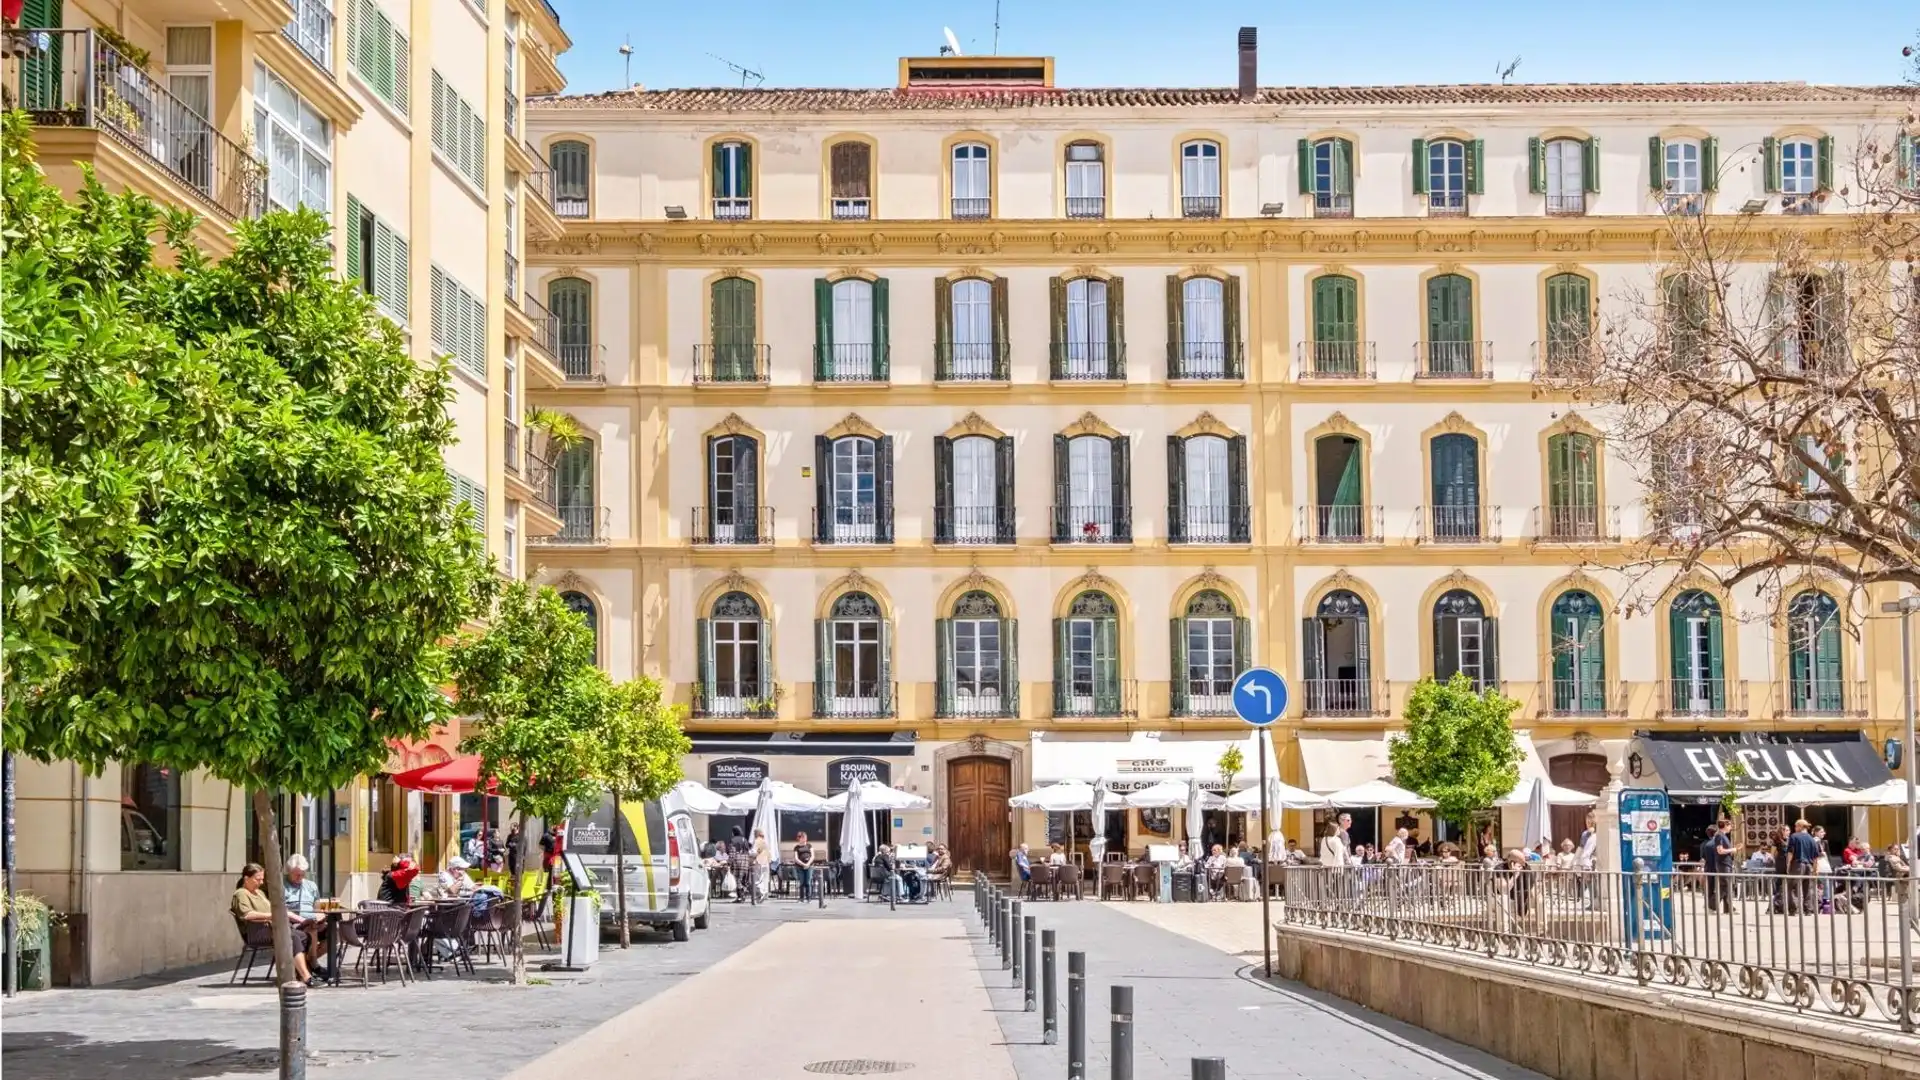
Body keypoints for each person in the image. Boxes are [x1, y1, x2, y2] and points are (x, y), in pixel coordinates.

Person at [232, 863, 313, 984]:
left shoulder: (259, 893)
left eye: (262, 879)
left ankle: (298, 973)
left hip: (273, 928)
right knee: (292, 937)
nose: (261, 883)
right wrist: (272, 916)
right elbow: (247, 915)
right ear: (246, 878)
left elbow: (274, 909)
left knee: (305, 936)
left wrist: (297, 918)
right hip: (257, 932)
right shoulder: (241, 894)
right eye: (257, 879)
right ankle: (306, 976)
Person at [281, 855, 329, 977]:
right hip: (294, 922)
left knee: (336, 932)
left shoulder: (311, 885)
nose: (300, 877)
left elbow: (318, 905)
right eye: (297, 874)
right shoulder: (282, 885)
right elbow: (280, 909)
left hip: (314, 920)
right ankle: (313, 964)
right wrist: (304, 920)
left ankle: (305, 962)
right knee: (311, 928)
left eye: (302, 874)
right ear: (289, 872)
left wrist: (321, 915)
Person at [1787, 819, 1821, 915]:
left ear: (1800, 826)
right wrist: (1815, 869)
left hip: (1797, 864)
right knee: (1808, 888)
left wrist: (1788, 864)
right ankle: (1808, 910)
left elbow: (1790, 852)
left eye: (1795, 826)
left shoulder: (1794, 836)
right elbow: (1816, 857)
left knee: (1793, 887)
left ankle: (1794, 910)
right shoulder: (1812, 839)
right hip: (1809, 866)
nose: (1794, 828)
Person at [1698, 823, 1731, 914]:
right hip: (1720, 867)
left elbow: (1703, 858)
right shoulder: (1718, 842)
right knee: (1725, 887)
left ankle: (1713, 906)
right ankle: (1719, 906)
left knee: (1711, 888)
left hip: (1709, 868)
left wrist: (1701, 868)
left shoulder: (1704, 844)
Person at [728, 826, 755, 903]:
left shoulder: (733, 840)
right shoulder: (744, 839)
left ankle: (739, 897)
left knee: (737, 879)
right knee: (743, 879)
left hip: (737, 861)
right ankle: (742, 896)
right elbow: (748, 851)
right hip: (745, 861)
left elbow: (732, 852)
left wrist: (729, 862)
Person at [794, 831, 817, 901]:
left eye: (805, 837)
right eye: (802, 837)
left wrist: (808, 864)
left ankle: (808, 898)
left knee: (808, 882)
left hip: (809, 866)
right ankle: (801, 898)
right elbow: (796, 858)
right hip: (800, 866)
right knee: (802, 882)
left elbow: (813, 856)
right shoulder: (796, 847)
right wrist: (803, 864)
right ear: (799, 838)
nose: (804, 839)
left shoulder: (809, 846)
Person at [751, 829, 772, 901]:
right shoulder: (765, 842)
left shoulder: (757, 841)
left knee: (757, 878)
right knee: (764, 878)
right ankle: (764, 893)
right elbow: (769, 853)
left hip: (759, 862)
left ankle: (760, 893)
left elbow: (754, 852)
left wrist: (750, 854)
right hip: (766, 862)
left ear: (756, 834)